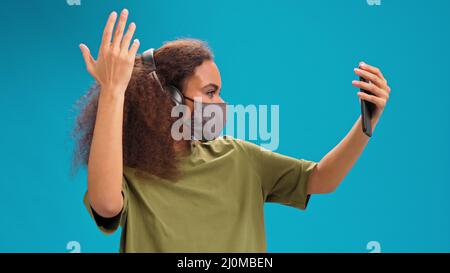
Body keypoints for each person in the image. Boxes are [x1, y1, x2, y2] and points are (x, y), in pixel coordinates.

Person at [74, 9, 392, 253]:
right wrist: (113, 91)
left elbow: (322, 178)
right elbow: (106, 204)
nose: (221, 103)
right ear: (167, 98)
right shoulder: (129, 171)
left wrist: (366, 124)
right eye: (210, 92)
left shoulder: (239, 157)